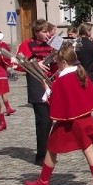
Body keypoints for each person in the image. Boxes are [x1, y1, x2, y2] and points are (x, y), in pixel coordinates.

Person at [24, 42, 93, 185]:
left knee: (51, 149)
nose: (57, 66)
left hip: (69, 121)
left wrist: (47, 89)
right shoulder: (80, 72)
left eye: (57, 63)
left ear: (63, 62)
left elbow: (55, 102)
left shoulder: (63, 80)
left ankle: (42, 182)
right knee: (89, 151)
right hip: (85, 119)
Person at [16, 19, 56, 165]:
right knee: (43, 121)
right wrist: (35, 63)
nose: (47, 34)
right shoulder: (26, 44)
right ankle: (41, 156)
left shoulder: (51, 44)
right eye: (44, 32)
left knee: (50, 121)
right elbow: (18, 65)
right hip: (36, 85)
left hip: (51, 84)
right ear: (36, 32)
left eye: (47, 31)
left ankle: (48, 152)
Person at [75, 23, 93, 88]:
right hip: (90, 74)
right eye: (90, 30)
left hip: (78, 74)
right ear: (87, 31)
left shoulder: (75, 45)